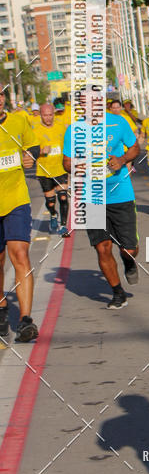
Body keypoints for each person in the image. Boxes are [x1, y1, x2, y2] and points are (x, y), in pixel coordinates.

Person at [63, 89, 141, 309]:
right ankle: (118, 293)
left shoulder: (118, 122)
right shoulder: (74, 129)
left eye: (94, 102)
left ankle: (129, 262)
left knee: (129, 248)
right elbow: (66, 162)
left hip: (120, 193)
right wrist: (76, 166)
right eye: (85, 103)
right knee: (102, 247)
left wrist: (123, 158)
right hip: (91, 197)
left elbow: (135, 147)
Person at [0, 86, 40, 342]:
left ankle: (25, 321)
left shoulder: (18, 121)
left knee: (20, 254)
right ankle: (2, 308)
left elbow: (33, 145)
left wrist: (30, 156)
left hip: (16, 199)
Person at [33, 103, 70, 237]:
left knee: (63, 197)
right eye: (45, 115)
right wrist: (41, 151)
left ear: (53, 114)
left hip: (60, 169)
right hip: (44, 171)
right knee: (50, 201)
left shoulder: (62, 128)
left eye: (50, 115)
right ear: (40, 115)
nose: (48, 118)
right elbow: (29, 152)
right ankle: (54, 214)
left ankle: (64, 226)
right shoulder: (35, 131)